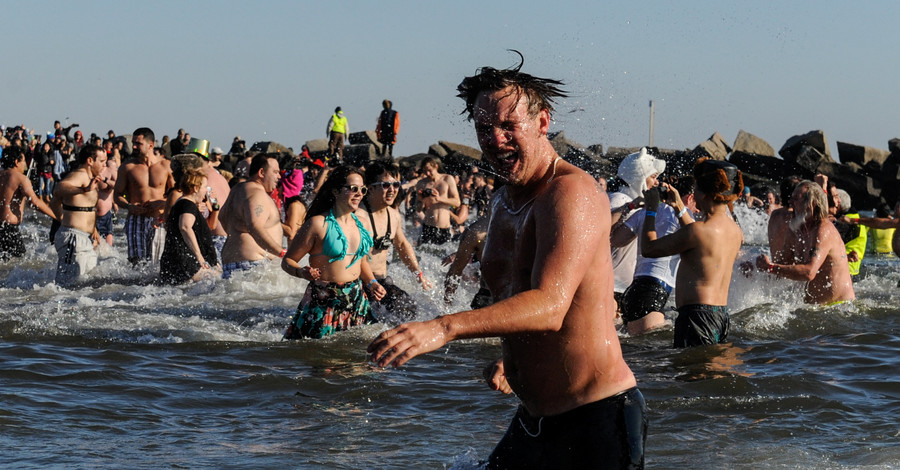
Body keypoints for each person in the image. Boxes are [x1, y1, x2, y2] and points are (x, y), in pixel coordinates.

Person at [368, 62, 645, 468]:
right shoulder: (502, 202)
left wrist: (445, 327)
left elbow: (552, 305)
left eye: (508, 126)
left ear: (543, 122)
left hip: (597, 419)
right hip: (533, 420)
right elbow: (520, 300)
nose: (495, 140)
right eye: (484, 130)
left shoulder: (572, 193)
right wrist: (515, 359)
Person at [639, 159, 744, 347]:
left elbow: (649, 248)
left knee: (691, 374)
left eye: (696, 189)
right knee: (711, 373)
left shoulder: (698, 231)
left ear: (704, 195)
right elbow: (700, 242)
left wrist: (651, 210)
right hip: (719, 316)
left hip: (696, 317)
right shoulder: (735, 231)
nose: (693, 194)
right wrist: (679, 206)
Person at [281, 165, 386, 339]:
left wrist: (372, 282)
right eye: (353, 189)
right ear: (336, 192)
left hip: (356, 298)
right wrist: (301, 272)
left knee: (358, 360)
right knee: (323, 361)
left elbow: (361, 261)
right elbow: (288, 261)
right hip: (324, 301)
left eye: (362, 189)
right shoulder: (317, 224)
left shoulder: (362, 223)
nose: (359, 193)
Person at [756, 180, 856, 304]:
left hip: (840, 309)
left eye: (796, 199)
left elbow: (809, 272)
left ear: (812, 204)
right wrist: (757, 269)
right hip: (814, 309)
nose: (790, 202)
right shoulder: (795, 229)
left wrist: (770, 267)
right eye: (791, 198)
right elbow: (783, 265)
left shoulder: (824, 230)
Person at [361, 160, 432, 322]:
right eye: (386, 185)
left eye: (396, 185)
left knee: (409, 309)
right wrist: (370, 282)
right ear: (370, 188)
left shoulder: (393, 215)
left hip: (381, 282)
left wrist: (418, 274)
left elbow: (402, 245)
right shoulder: (358, 216)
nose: (392, 190)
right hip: (359, 283)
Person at [607, 148, 664, 309]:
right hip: (611, 288)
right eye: (653, 177)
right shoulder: (620, 198)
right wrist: (629, 206)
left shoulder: (636, 202)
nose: (657, 182)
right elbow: (602, 227)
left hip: (624, 288)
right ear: (638, 178)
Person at [218, 153, 284, 279]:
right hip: (253, 265)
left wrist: (239, 236)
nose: (279, 176)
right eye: (275, 172)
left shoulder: (237, 189)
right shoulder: (257, 193)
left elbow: (222, 217)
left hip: (232, 262)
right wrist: (281, 252)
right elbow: (254, 226)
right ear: (261, 172)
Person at [114, 127, 173, 265]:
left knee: (156, 264)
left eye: (138, 144)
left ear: (150, 145)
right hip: (136, 219)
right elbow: (116, 195)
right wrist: (129, 206)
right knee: (137, 264)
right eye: (133, 143)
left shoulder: (166, 166)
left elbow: (177, 193)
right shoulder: (127, 167)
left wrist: (162, 202)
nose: (133, 146)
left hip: (158, 219)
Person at [53, 144, 106, 287]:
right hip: (73, 238)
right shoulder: (80, 175)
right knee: (66, 285)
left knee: (84, 285)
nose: (104, 165)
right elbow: (59, 188)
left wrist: (93, 228)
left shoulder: (90, 178)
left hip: (84, 238)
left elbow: (87, 208)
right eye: (101, 162)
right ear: (90, 161)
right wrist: (84, 188)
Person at [159, 166, 221, 284]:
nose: (207, 191)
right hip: (187, 265)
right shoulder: (188, 205)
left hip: (178, 263)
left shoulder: (183, 204)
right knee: (222, 282)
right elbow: (185, 227)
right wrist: (200, 258)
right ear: (196, 188)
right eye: (205, 187)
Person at [0, 146, 56, 260]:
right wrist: (56, 216)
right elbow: (34, 202)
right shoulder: (21, 178)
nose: (25, 164)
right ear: (16, 162)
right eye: (24, 161)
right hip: (9, 229)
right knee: (16, 264)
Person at [414, 156, 461, 246]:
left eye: (429, 170)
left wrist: (439, 199)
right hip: (428, 227)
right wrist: (422, 200)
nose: (427, 173)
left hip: (445, 228)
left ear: (436, 166)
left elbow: (457, 202)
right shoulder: (422, 183)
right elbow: (418, 209)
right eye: (425, 171)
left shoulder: (447, 179)